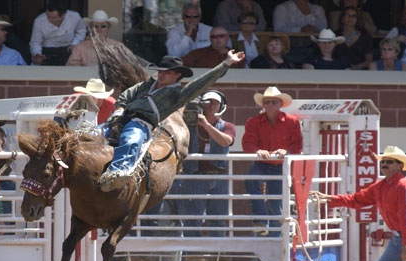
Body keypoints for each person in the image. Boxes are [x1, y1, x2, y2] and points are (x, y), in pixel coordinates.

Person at [98, 51, 245, 192]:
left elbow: (203, 82)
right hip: (119, 118)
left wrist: (226, 63)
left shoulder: (178, 95)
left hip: (141, 122)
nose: (161, 74)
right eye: (160, 71)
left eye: (166, 72)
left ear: (177, 75)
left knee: (131, 140)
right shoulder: (146, 85)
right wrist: (119, 110)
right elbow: (126, 96)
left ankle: (118, 173)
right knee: (92, 133)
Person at [242, 86, 303, 236]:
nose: (270, 105)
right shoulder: (253, 122)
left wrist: (286, 151)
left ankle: (276, 238)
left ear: (280, 104)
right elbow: (247, 143)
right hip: (261, 163)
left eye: (274, 102)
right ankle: (261, 220)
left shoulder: (292, 122)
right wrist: (257, 151)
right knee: (250, 181)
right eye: (267, 102)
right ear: (262, 104)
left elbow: (297, 145)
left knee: (276, 204)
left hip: (281, 166)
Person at [179, 90, 235, 237]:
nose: (210, 106)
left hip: (219, 177)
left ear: (221, 106)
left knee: (218, 219)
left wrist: (206, 125)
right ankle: (193, 254)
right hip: (194, 176)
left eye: (215, 103)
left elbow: (226, 141)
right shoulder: (189, 126)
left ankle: (216, 254)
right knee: (192, 220)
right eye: (207, 102)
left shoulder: (227, 126)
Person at [29, 0, 86, 66]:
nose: (49, 19)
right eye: (47, 16)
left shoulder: (75, 17)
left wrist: (75, 44)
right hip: (47, 50)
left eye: (53, 18)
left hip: (68, 48)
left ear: (63, 15)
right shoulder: (39, 21)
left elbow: (81, 31)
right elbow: (35, 42)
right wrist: (37, 54)